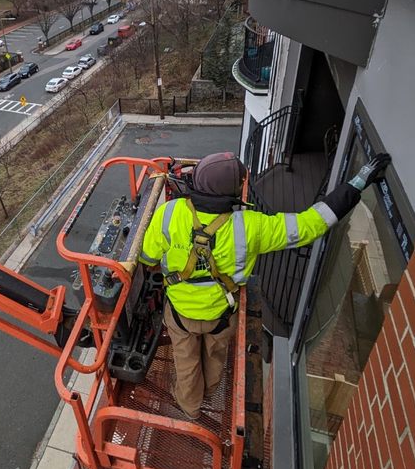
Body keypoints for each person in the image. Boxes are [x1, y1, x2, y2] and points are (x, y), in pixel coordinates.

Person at [139, 150, 390, 420]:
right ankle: (209, 393)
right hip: (220, 316)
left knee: (186, 362)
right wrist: (357, 184)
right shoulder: (252, 226)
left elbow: (147, 258)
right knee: (214, 358)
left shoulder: (168, 213)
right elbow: (311, 225)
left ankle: (190, 410)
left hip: (181, 314)